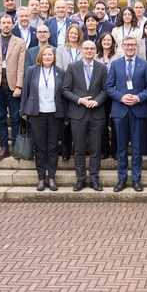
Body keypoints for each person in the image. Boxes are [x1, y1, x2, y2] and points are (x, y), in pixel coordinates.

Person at [106, 35, 147, 192]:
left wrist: (138, 97)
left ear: (136, 46)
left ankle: (136, 179)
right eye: (127, 45)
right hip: (120, 112)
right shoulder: (115, 64)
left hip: (138, 111)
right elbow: (108, 87)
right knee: (121, 148)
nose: (130, 47)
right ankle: (121, 179)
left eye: (133, 45)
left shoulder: (145, 64)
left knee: (137, 148)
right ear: (122, 45)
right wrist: (121, 97)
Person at [62, 40, 108, 191]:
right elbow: (65, 90)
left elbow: (106, 90)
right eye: (86, 48)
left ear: (96, 51)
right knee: (79, 148)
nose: (89, 51)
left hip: (97, 114)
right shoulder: (72, 67)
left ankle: (94, 179)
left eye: (92, 48)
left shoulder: (102, 68)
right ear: (81, 50)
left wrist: (97, 101)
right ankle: (80, 179)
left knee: (96, 148)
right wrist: (79, 100)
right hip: (78, 113)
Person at [20, 46, 65, 191]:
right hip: (37, 114)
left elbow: (64, 95)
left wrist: (66, 115)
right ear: (40, 56)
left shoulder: (60, 72)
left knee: (52, 147)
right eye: (44, 54)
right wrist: (23, 111)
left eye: (50, 54)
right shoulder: (32, 70)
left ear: (53, 56)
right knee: (40, 147)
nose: (47, 57)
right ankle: (40, 178)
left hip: (55, 114)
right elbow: (25, 91)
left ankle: (51, 177)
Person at [0, 14, 26, 161]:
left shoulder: (20, 43)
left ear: (13, 25)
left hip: (13, 86)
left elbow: (21, 67)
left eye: (9, 23)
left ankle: (15, 147)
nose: (6, 25)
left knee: (15, 118)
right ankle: (4, 148)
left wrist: (19, 86)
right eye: (4, 23)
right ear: (0, 25)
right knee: (1, 118)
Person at [96, 32, 118, 159]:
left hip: (115, 93)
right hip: (101, 93)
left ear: (113, 42)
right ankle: (104, 150)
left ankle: (115, 151)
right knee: (102, 122)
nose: (106, 42)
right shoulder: (95, 57)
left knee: (115, 122)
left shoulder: (118, 55)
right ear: (100, 42)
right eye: (104, 40)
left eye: (109, 40)